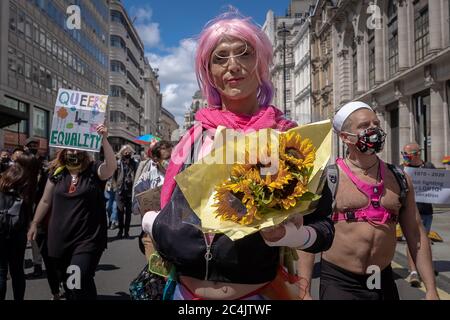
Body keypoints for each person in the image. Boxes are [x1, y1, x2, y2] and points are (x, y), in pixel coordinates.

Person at [141, 12, 335, 300]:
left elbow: (324, 228)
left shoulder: (287, 138)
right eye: (220, 58)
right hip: (184, 295)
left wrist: (288, 236)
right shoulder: (193, 140)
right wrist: (154, 224)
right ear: (209, 72)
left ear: (261, 63)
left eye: (244, 53)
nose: (233, 66)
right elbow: (173, 212)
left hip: (256, 296)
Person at [314, 101, 439, 300]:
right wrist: (304, 291)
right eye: (364, 126)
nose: (373, 130)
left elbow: (416, 234)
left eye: (376, 124)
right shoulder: (328, 178)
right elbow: (311, 233)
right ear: (346, 137)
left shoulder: (399, 177)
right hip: (339, 282)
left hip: (381, 279)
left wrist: (431, 289)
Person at [27, 124, 117, 300]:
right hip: (60, 238)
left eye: (78, 150)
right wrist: (35, 223)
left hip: (87, 238)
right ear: (64, 151)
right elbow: (45, 200)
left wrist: (104, 139)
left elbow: (111, 167)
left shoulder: (93, 170)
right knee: (70, 281)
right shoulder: (57, 172)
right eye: (70, 149)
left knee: (79, 275)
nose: (74, 153)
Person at [0, 153, 39, 300]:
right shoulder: (29, 181)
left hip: (1, 226)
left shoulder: (5, 177)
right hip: (18, 229)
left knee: (1, 270)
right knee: (17, 271)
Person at [401, 142, 437, 287]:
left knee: (425, 241)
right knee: (412, 240)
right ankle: (414, 272)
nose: (405, 157)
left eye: (407, 155)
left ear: (417, 154)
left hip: (426, 211)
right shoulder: (402, 168)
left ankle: (426, 267)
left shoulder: (428, 168)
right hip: (409, 212)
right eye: (403, 154)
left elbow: (438, 186)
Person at [133, 141, 172, 259]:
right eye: (167, 158)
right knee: (157, 271)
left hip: (176, 232)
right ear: (156, 160)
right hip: (154, 233)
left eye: (174, 157)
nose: (172, 161)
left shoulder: (182, 174)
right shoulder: (146, 178)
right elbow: (135, 208)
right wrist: (148, 202)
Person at [114, 145, 138, 239]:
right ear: (122, 153)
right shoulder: (118, 163)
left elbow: (137, 175)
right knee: (120, 212)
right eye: (125, 152)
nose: (127, 153)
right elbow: (114, 176)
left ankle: (126, 232)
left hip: (130, 192)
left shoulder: (134, 163)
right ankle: (120, 231)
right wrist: (115, 186)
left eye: (129, 152)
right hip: (120, 191)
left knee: (128, 213)